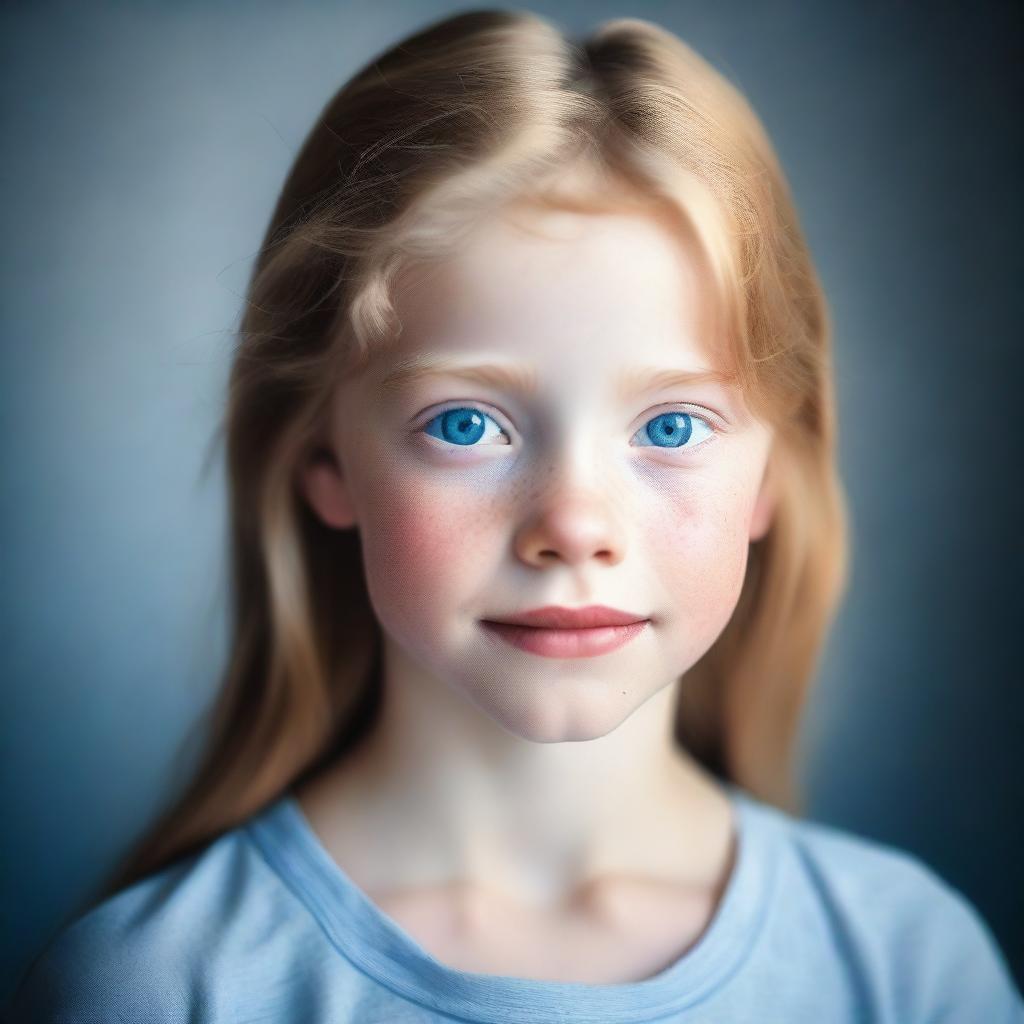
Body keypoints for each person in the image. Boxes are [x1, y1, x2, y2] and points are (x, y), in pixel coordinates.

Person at [6, 8, 1022, 1023]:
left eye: (670, 427)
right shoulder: (152, 989)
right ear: (324, 460)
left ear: (773, 480)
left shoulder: (908, 966)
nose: (573, 525)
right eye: (464, 422)